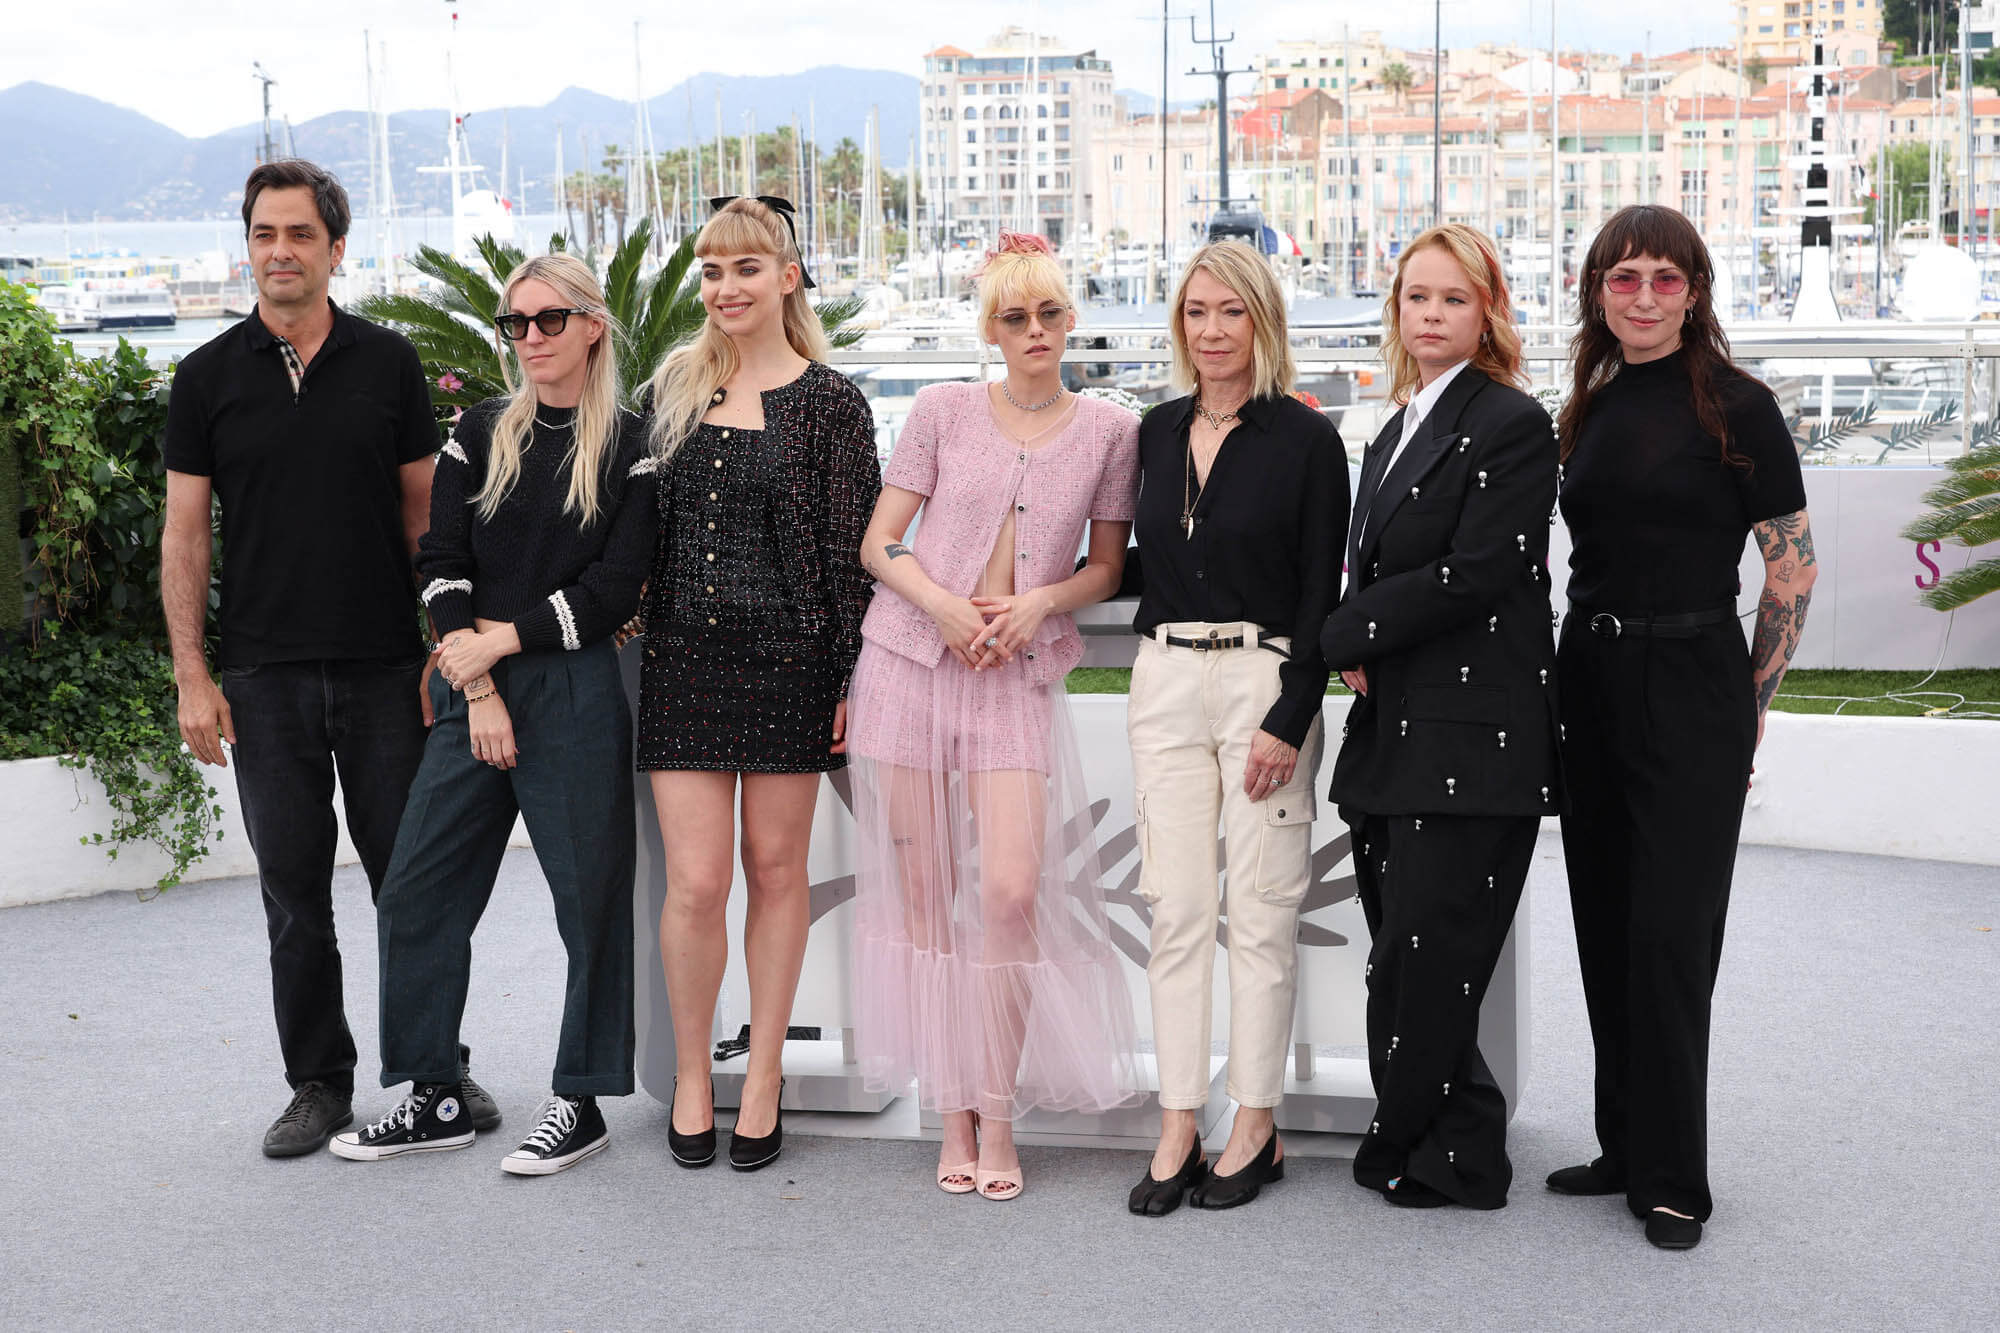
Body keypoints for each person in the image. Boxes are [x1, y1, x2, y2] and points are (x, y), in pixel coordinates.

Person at [162, 158, 499, 1156]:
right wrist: (192, 672)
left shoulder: (388, 363)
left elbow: (423, 518)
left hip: (385, 668)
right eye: (264, 234)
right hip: (262, 679)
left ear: (335, 248)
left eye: (299, 234)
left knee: (411, 880)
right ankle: (319, 1083)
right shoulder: (205, 377)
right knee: (293, 895)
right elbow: (185, 534)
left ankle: (435, 1071)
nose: (280, 251)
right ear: (248, 247)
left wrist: (446, 646)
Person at [329, 254, 654, 1174]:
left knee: (589, 901)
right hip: (472, 688)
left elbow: (614, 586)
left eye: (549, 319)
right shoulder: (478, 431)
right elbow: (440, 559)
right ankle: (435, 1092)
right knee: (416, 890)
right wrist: (477, 687)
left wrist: (498, 643)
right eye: (515, 323)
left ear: (592, 326)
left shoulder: (633, 444)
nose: (530, 338)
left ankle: (580, 1099)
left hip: (575, 688)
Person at [847, 232, 1142, 1201]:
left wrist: (1037, 603)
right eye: (1015, 317)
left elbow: (1106, 566)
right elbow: (880, 542)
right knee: (925, 895)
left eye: (1049, 313)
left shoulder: (1109, 430)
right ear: (990, 330)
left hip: (1014, 674)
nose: (1035, 331)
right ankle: (953, 1110)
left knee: (1011, 892)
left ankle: (999, 1109)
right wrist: (941, 607)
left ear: (1070, 319)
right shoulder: (940, 410)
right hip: (909, 665)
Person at [1547, 204, 1814, 1251]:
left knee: (1670, 933)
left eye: (1665, 278)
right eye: (1624, 278)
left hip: (1694, 680)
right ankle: (1622, 1144)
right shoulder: (1587, 402)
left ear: (1694, 291)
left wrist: (1752, 703)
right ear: (1596, 293)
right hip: (1589, 677)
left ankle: (1672, 1177)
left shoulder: (1739, 406)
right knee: (1604, 920)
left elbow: (1790, 569)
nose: (1645, 297)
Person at [1319, 224, 1560, 1212]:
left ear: (1487, 311)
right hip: (1402, 730)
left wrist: (1344, 630)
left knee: (1429, 957)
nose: (1430, 314)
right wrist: (1361, 632)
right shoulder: (1396, 425)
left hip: (1473, 736)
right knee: (1405, 954)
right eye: (1416, 296)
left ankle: (1429, 1143)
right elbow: (1384, 562)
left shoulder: (1511, 421)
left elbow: (1480, 570)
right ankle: (1452, 1141)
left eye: (1453, 298)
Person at [638, 196, 880, 1173]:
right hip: (683, 663)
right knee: (697, 882)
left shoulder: (833, 403)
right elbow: (634, 529)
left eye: (745, 268)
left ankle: (766, 1074)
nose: (725, 287)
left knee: (777, 873)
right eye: (711, 270)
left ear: (787, 277)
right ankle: (694, 1075)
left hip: (792, 663)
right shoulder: (672, 389)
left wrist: (848, 673)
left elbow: (852, 553)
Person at [1126, 240, 1349, 1214]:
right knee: (1175, 909)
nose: (1211, 330)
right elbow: (1141, 558)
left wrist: (1289, 716)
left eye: (1231, 311)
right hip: (1164, 678)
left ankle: (1255, 1121)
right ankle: (1180, 1119)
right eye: (1195, 311)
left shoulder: (1306, 440)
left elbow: (1320, 593)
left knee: (1259, 911)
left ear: (1262, 321)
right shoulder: (1155, 431)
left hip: (1263, 678)